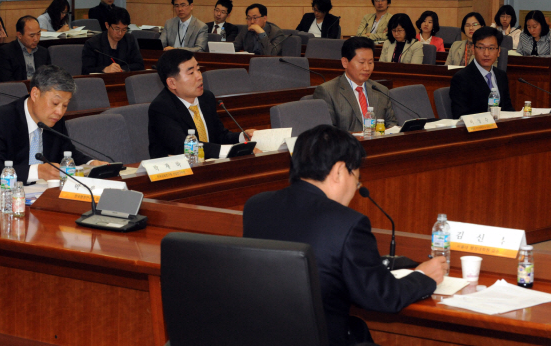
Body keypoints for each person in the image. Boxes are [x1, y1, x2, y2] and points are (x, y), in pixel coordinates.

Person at [243, 124, 446, 346]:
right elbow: (383, 296)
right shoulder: (348, 223)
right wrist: (423, 277)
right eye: (357, 179)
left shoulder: (256, 206)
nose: (356, 189)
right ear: (340, 171)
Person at [0, 65, 107, 188]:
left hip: (40, 197)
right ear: (35, 94)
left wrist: (90, 163)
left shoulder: (55, 120)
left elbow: (66, 152)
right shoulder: (1, 120)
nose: (60, 112)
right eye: (55, 103)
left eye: (65, 105)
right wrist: (38, 171)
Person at [148, 49, 257, 159]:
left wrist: (242, 137)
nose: (199, 76)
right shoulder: (161, 108)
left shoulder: (206, 98)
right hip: (178, 173)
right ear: (172, 83)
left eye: (198, 69)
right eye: (191, 73)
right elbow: (185, 147)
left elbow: (219, 135)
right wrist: (230, 150)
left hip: (209, 166)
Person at [313, 37, 397, 132]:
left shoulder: (381, 90)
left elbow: (392, 125)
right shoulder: (328, 92)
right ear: (345, 62)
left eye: (370, 62)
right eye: (361, 62)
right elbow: (327, 133)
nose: (367, 68)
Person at [450, 27, 515, 119]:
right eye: (481, 47)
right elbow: (460, 115)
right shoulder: (462, 78)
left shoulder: (501, 75)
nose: (486, 53)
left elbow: (507, 108)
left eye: (491, 48)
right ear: (473, 49)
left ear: (498, 51)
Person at [81, 7, 145, 75]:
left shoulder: (129, 40)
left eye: (124, 30)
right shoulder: (92, 44)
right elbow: (86, 70)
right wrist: (104, 69)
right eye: (117, 29)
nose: (120, 33)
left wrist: (122, 69)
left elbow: (140, 65)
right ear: (107, 25)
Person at [0, 16, 51, 82]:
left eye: (38, 34)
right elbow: (6, 81)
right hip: (18, 90)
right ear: (19, 35)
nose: (36, 39)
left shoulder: (43, 52)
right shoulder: (6, 52)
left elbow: (48, 77)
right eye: (32, 36)